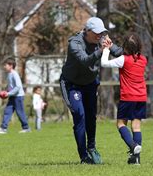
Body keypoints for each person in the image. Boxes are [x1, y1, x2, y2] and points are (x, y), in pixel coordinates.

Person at [60, 17, 123, 164]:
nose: (100, 36)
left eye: (102, 33)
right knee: (80, 115)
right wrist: (102, 50)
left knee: (91, 117)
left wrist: (132, 51)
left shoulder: (102, 38)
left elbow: (118, 52)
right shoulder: (75, 43)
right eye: (96, 33)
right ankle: (84, 156)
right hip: (72, 84)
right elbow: (85, 60)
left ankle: (92, 147)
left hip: (89, 84)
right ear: (87, 31)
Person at [101, 33, 147, 165]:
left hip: (128, 96)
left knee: (121, 124)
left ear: (125, 47)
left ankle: (133, 146)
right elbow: (131, 55)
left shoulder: (123, 59)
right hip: (141, 97)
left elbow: (104, 63)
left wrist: (106, 49)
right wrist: (112, 46)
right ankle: (136, 159)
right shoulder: (143, 59)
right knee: (136, 126)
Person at [0, 58, 31, 134]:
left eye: (6, 65)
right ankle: (3, 128)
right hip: (12, 96)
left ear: (11, 66)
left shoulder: (15, 74)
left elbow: (18, 87)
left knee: (20, 112)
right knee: (7, 111)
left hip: (18, 96)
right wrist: (6, 91)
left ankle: (26, 128)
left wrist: (8, 93)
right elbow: (10, 86)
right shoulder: (9, 74)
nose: (4, 67)